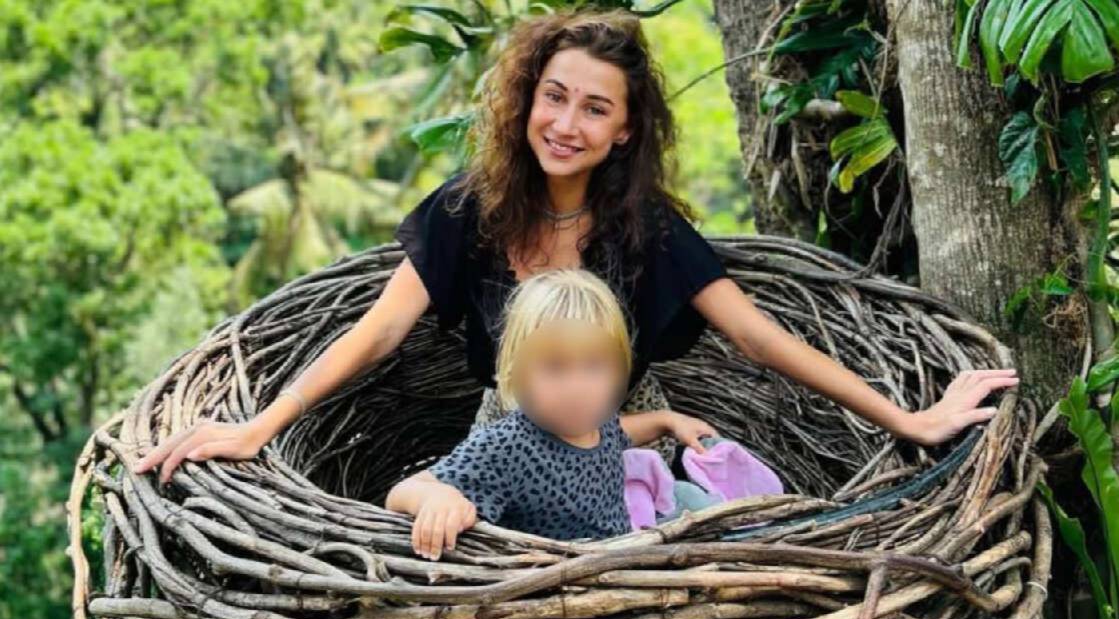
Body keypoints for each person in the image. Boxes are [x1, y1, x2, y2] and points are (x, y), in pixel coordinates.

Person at [131, 8, 1018, 486]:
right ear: (527, 99)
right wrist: (258, 427)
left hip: (625, 445)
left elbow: (756, 337)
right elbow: (377, 332)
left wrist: (908, 420)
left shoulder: (648, 229)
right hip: (502, 441)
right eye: (554, 97)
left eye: (595, 109)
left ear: (624, 131)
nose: (565, 123)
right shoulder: (466, 212)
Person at [386, 268, 719, 558]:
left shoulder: (597, 424)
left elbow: (621, 431)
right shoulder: (508, 446)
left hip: (615, 570)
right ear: (516, 374)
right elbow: (402, 492)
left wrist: (667, 421)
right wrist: (438, 497)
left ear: (619, 372)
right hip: (553, 588)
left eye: (594, 367)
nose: (576, 388)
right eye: (555, 367)